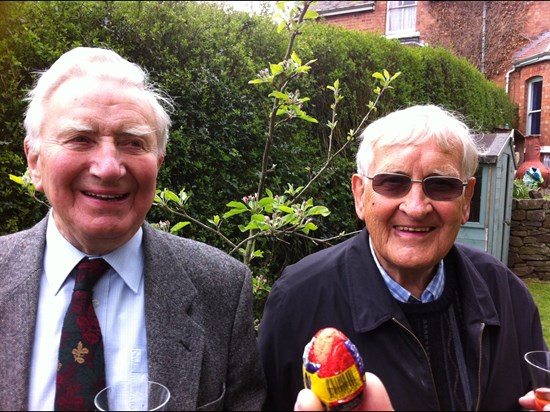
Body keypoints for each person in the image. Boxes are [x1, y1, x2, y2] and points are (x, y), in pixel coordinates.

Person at [0, 46, 265, 410]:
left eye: (133, 143)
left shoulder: (221, 287)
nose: (109, 167)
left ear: (158, 162)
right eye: (80, 138)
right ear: (34, 161)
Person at [258, 104, 548, 411]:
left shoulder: (506, 295)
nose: (416, 206)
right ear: (360, 195)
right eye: (392, 182)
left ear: (466, 200)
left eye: (441, 185)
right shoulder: (298, 300)